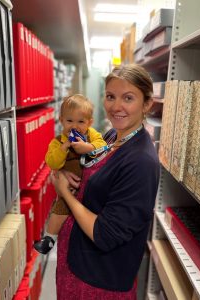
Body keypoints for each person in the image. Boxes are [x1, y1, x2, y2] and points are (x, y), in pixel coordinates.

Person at [51, 64, 160, 299]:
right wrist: (67, 175)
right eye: (111, 96)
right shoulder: (112, 137)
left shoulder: (141, 162)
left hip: (98, 281)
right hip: (76, 263)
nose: (116, 106)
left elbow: (105, 234)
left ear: (147, 104)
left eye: (128, 98)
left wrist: (65, 193)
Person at [34, 94, 107, 254]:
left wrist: (87, 147)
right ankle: (49, 238)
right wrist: (64, 147)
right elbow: (52, 163)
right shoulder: (58, 141)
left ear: (89, 122)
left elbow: (102, 146)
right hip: (71, 191)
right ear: (61, 120)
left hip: (91, 186)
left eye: (81, 121)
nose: (74, 126)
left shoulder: (92, 134)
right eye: (69, 121)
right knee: (59, 208)